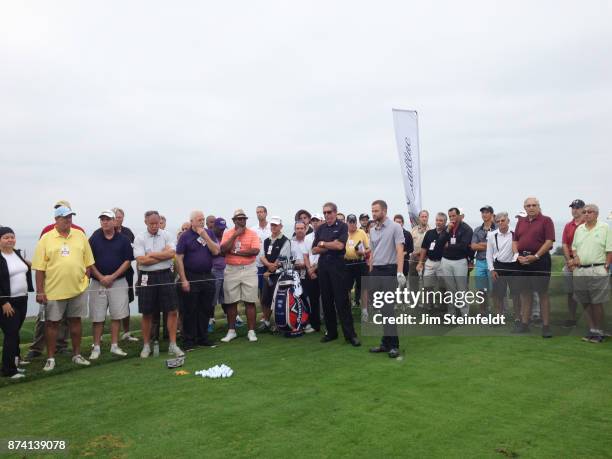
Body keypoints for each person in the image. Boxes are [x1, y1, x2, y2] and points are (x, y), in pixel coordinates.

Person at [32, 206, 94, 371]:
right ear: (56, 219)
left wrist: (86, 279)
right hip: (53, 290)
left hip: (78, 289)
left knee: (76, 321)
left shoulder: (80, 235)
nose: (68, 220)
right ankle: (51, 358)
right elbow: (39, 268)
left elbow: (88, 261)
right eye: (65, 217)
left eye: (70, 217)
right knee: (52, 324)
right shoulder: (46, 238)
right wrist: (40, 291)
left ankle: (77, 354)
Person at [27, 200, 80, 359]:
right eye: (58, 210)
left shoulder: (78, 231)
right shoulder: (47, 231)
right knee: (45, 318)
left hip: (72, 286)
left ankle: (61, 346)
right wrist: (40, 289)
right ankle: (37, 348)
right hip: (51, 285)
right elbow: (41, 260)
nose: (65, 216)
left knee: (65, 320)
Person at [133, 210, 184, 358]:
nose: (155, 226)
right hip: (146, 277)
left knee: (172, 310)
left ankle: (173, 345)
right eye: (151, 223)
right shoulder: (140, 238)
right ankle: (146, 345)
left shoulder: (167, 235)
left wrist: (152, 255)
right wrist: (162, 255)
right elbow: (141, 260)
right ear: (146, 222)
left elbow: (171, 254)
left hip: (165, 275)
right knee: (147, 312)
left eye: (157, 223)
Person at [312, 202, 360, 346]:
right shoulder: (320, 228)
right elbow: (314, 249)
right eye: (325, 213)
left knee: (342, 301)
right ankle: (331, 332)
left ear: (335, 212)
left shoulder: (342, 226)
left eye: (329, 212)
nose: (327, 215)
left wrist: (323, 244)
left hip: (338, 266)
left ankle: (350, 335)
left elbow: (340, 245)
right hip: (323, 267)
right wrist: (329, 244)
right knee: (326, 301)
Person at [88, 210, 133, 359]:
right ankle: (96, 347)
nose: (105, 222)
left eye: (107, 219)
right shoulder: (94, 238)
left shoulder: (124, 239)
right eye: (102, 220)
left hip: (118, 281)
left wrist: (112, 277)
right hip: (98, 282)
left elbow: (127, 261)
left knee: (116, 315)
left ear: (114, 221)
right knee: (97, 316)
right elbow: (89, 260)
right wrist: (101, 277)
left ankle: (114, 345)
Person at [175, 210, 219, 351]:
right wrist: (183, 279)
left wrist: (205, 236)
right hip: (191, 276)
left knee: (205, 309)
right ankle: (189, 340)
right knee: (190, 309)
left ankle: (203, 338)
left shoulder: (209, 233)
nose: (202, 222)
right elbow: (179, 258)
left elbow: (216, 251)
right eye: (199, 219)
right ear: (192, 221)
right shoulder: (185, 236)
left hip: (207, 275)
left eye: (203, 219)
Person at [368, 200, 406, 358]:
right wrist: (370, 271)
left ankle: (394, 345)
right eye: (372, 211)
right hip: (376, 270)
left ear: (384, 210)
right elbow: (372, 252)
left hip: (390, 270)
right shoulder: (372, 229)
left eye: (376, 211)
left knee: (388, 309)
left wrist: (399, 272)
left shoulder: (395, 227)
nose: (373, 213)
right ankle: (385, 343)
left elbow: (399, 250)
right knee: (382, 309)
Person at [512, 197, 555, 337]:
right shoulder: (521, 222)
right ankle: (525, 324)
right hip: (522, 261)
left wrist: (536, 256)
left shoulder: (546, 220)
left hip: (540, 261)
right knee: (525, 293)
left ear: (538, 206)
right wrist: (517, 255)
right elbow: (515, 241)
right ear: (524, 207)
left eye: (534, 205)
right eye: (528, 205)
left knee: (542, 293)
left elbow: (549, 242)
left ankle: (546, 326)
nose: (531, 207)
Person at [570, 204, 612, 343]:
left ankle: (599, 331)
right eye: (585, 212)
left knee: (597, 302)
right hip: (580, 270)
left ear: (596, 214)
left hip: (598, 268)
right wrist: (575, 257)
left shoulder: (604, 227)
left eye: (590, 212)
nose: (586, 214)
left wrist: (606, 265)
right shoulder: (579, 229)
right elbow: (574, 248)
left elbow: (609, 249)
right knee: (585, 301)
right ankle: (592, 329)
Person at [220, 209, 261, 343]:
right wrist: (235, 235)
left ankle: (251, 331)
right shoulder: (228, 234)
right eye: (239, 219)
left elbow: (254, 251)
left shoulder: (252, 234)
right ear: (234, 221)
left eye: (244, 219)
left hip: (248, 269)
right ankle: (231, 331)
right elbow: (223, 250)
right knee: (231, 302)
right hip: (231, 270)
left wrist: (236, 253)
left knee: (250, 301)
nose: (242, 221)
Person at [0, 227, 33, 379]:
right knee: (11, 334)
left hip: (22, 299)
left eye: (12, 237)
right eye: (6, 237)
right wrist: (3, 301)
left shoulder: (17, 254)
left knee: (15, 333)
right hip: (7, 302)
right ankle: (8, 370)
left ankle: (15, 361)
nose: (10, 240)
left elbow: (26, 267)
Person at [258, 217, 291, 332]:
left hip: (279, 274)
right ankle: (266, 321)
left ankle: (279, 323)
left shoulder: (285, 240)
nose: (273, 227)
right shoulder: (266, 240)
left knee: (278, 299)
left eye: (276, 225)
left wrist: (271, 268)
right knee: (265, 298)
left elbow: (282, 257)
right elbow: (261, 255)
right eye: (272, 225)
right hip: (268, 274)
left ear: (281, 226)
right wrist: (268, 265)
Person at [439, 207, 473, 316]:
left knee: (461, 287)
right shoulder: (447, 227)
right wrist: (448, 230)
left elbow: (463, 246)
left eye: (454, 216)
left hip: (460, 261)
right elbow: (440, 242)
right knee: (450, 288)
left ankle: (464, 313)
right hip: (446, 261)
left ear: (459, 215)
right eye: (450, 216)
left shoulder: (466, 228)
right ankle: (451, 312)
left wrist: (449, 245)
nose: (452, 218)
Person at [112, 207, 139, 343]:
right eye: (116, 217)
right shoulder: (103, 232)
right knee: (106, 303)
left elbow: (134, 251)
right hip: (109, 274)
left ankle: (126, 332)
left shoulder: (128, 232)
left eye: (120, 217)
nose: (118, 219)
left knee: (125, 301)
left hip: (127, 272)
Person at [486, 212, 519, 319]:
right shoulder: (492, 235)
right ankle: (499, 317)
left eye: (503, 220)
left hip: (514, 266)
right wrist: (492, 270)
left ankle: (517, 317)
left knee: (516, 294)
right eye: (498, 221)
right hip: (499, 266)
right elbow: (489, 255)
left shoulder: (515, 233)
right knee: (498, 295)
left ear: (508, 221)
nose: (500, 223)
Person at [561, 199, 586, 327]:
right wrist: (569, 261)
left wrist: (577, 261)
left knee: (586, 292)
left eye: (577, 207)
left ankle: (589, 320)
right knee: (570, 292)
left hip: (585, 263)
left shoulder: (588, 224)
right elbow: (565, 244)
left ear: (583, 209)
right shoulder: (568, 225)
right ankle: (571, 318)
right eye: (573, 207)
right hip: (570, 262)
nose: (574, 210)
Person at [417, 213, 447, 311]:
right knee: (427, 285)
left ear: (445, 222)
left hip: (442, 262)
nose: (438, 222)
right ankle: (429, 305)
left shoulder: (447, 234)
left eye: (441, 221)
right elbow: (424, 248)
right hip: (430, 262)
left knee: (443, 286)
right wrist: (420, 262)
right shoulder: (429, 233)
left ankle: (442, 306)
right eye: (437, 220)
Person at [471, 205, 497, 314]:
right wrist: (488, 245)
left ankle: (496, 312)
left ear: (491, 214)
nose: (484, 215)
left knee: (493, 289)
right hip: (480, 262)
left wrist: (481, 244)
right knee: (481, 289)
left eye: (487, 212)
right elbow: (473, 246)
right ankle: (483, 312)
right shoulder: (477, 229)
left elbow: (497, 245)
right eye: (483, 213)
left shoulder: (497, 228)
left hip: (494, 263)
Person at [345, 214, 370, 315]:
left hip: (360, 262)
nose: (352, 224)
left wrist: (363, 252)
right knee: (346, 287)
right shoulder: (343, 233)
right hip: (347, 263)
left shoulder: (362, 232)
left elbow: (368, 248)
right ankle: (348, 308)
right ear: (347, 222)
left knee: (364, 287)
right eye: (350, 222)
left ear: (356, 222)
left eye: (353, 222)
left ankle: (364, 310)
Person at [303, 214, 323, 331]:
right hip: (310, 270)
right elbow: (305, 255)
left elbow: (324, 254)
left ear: (321, 221)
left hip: (322, 269)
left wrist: (314, 268)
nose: (315, 223)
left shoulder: (326, 235)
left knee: (326, 297)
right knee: (313, 298)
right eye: (313, 221)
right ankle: (315, 325)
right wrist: (310, 269)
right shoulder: (308, 237)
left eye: (317, 221)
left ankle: (328, 322)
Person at [209, 217, 227, 333]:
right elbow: (214, 253)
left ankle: (231, 318)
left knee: (226, 297)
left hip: (226, 269)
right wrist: (221, 252)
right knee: (212, 298)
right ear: (214, 227)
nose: (222, 231)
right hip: (213, 270)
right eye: (220, 229)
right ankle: (210, 320)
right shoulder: (210, 237)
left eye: (223, 229)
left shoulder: (225, 237)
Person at [251, 206, 271, 299]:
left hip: (269, 263)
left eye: (261, 212)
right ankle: (263, 311)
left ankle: (268, 312)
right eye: (257, 212)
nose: (259, 214)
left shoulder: (272, 227)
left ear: (266, 213)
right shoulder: (253, 230)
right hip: (257, 263)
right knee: (258, 290)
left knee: (269, 289)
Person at [409, 210, 430, 293]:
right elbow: (410, 245)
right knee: (413, 280)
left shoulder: (431, 231)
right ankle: (414, 302)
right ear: (419, 218)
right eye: (422, 217)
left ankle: (426, 303)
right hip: (414, 258)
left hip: (427, 258)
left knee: (426, 282)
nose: (424, 219)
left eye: (426, 217)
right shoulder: (413, 230)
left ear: (428, 218)